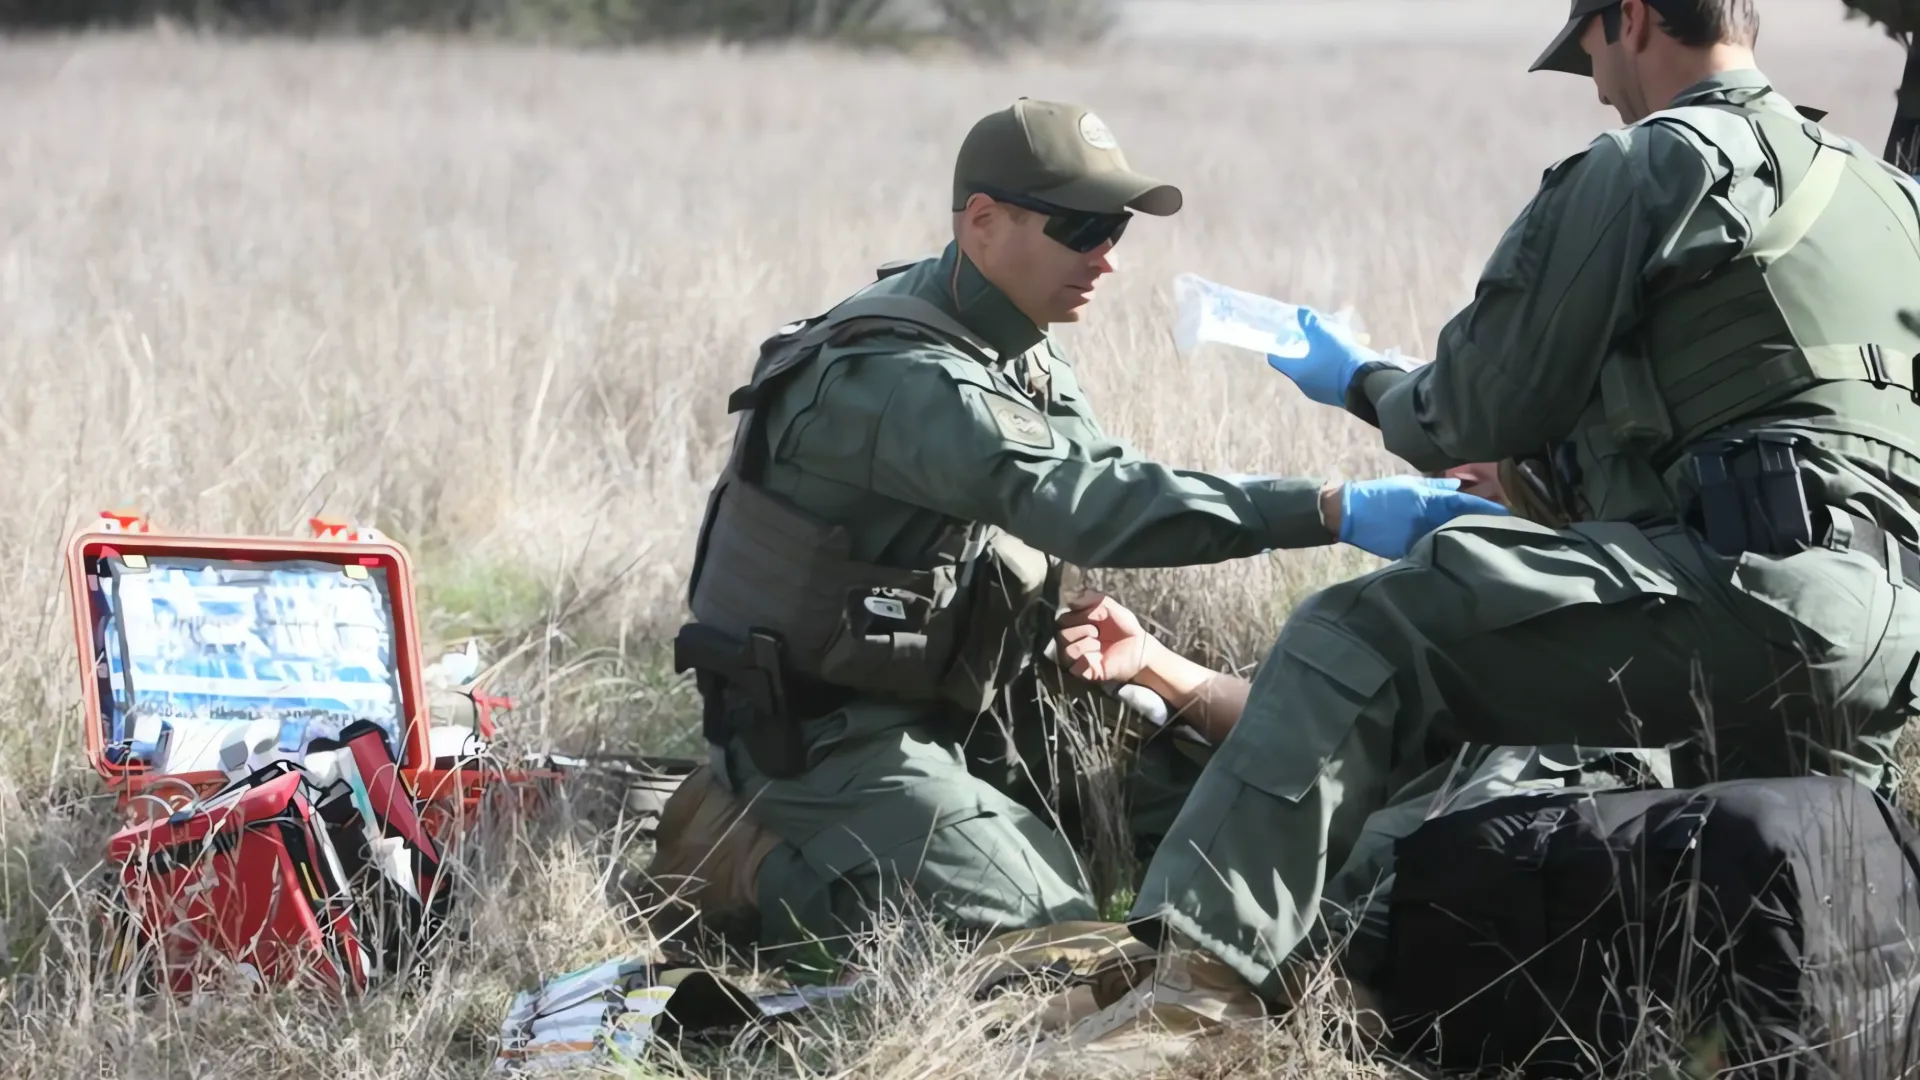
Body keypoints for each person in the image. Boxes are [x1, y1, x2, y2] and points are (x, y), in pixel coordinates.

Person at [1044, 0, 1920, 1057]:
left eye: (1591, 51)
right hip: (1889, 624)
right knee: (1823, 881)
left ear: (1631, 19)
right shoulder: (1891, 196)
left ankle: (1191, 999)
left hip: (1754, 594)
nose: (1598, 84)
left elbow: (1473, 403)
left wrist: (1362, 379)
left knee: (1366, 633)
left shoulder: (1657, 162)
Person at [632, 97, 1506, 964]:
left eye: (1116, 229)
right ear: (982, 222)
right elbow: (1087, 502)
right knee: (1047, 939)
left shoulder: (1006, 334)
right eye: (1082, 229)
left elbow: (1103, 476)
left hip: (977, 699)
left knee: (1243, 820)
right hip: (832, 732)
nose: (1107, 259)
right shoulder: (898, 378)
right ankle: (738, 856)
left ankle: (958, 828)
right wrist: (1332, 510)